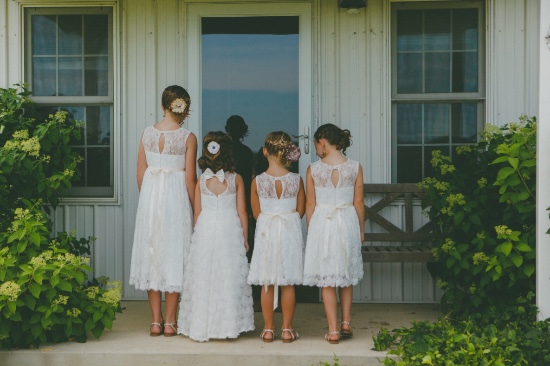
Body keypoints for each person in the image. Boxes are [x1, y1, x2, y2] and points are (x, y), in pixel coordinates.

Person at [129, 85, 197, 337]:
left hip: (150, 197)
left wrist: (148, 197)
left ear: (163, 106)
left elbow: (139, 173)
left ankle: (155, 321)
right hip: (175, 198)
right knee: (173, 253)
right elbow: (190, 179)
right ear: (184, 108)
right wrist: (196, 208)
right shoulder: (187, 137)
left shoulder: (147, 133)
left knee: (153, 254)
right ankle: (170, 321)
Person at [178, 131, 254, 342]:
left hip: (207, 228)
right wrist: (245, 237)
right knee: (228, 274)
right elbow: (242, 212)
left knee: (205, 274)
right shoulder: (236, 179)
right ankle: (228, 324)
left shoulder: (201, 181)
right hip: (230, 229)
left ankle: (204, 324)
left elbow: (197, 213)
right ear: (229, 153)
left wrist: (197, 235)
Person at [302, 123, 364, 344]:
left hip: (323, 223)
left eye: (317, 145)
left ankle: (333, 330)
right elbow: (358, 202)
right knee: (345, 275)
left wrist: (312, 231)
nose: (317, 150)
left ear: (321, 142)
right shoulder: (355, 167)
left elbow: (310, 204)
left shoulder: (314, 169)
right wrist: (361, 230)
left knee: (328, 279)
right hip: (347, 221)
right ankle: (346, 322)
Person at [247, 132, 305, 343]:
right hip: (289, 231)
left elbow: (256, 213)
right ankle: (287, 329)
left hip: (267, 231)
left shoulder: (257, 181)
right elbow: (300, 210)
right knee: (288, 281)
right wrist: (286, 218)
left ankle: (269, 329)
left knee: (267, 280)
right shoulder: (297, 180)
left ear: (265, 152)